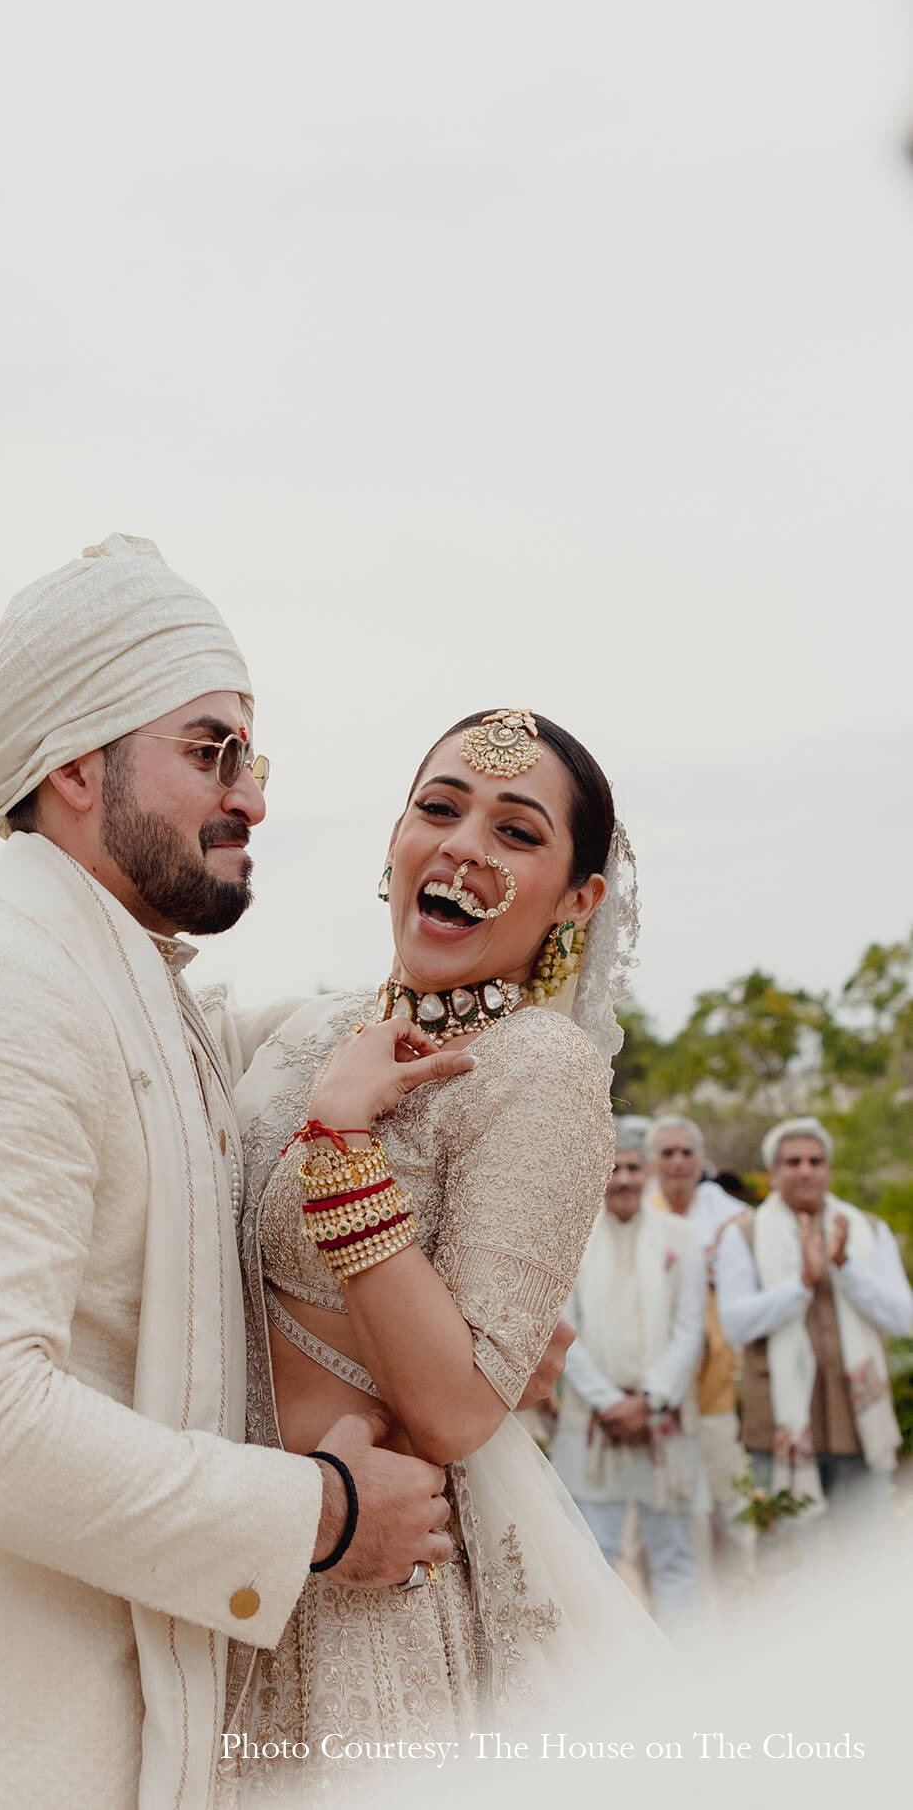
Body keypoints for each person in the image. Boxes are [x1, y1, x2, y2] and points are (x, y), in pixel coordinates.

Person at [0, 536, 455, 1810]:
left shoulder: (124, 989)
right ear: (73, 768)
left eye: (252, 759)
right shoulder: (0, 987)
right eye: (211, 750)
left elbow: (289, 1045)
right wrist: (318, 1517)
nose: (250, 796)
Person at [225, 706, 667, 1789]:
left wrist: (342, 1146)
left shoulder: (539, 1070)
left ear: (576, 901)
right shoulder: (304, 1030)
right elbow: (135, 1020)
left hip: (369, 1605)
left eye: (516, 831)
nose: (465, 845)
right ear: (395, 842)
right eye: (439, 808)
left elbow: (460, 1409)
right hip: (233, 1555)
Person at [717, 1116, 913, 1532]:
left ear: (828, 1170)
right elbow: (735, 1325)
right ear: (773, 1173)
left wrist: (845, 1266)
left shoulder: (867, 1230)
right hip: (778, 1425)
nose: (805, 1170)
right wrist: (802, 1283)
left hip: (857, 1421)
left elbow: (903, 1319)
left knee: (863, 1554)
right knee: (787, 1554)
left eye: (815, 1161)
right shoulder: (744, 1236)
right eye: (793, 1162)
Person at [549, 1129, 706, 1630]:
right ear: (598, 1171)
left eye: (634, 1168)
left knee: (674, 1560)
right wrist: (609, 1403)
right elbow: (563, 1330)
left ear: (648, 1173)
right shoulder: (572, 1238)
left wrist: (650, 1400)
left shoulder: (682, 1238)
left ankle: (684, 1663)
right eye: (614, 1168)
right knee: (594, 1558)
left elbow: (690, 1331)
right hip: (595, 1423)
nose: (624, 1179)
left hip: (663, 1420)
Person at [645, 1115, 752, 1569]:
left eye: (686, 1152)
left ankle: (743, 1593)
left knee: (729, 1500)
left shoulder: (732, 1217)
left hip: (716, 1382)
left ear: (701, 1160)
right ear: (653, 1162)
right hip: (655, 1383)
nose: (678, 1161)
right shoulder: (637, 1214)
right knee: (663, 1509)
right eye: (667, 1153)